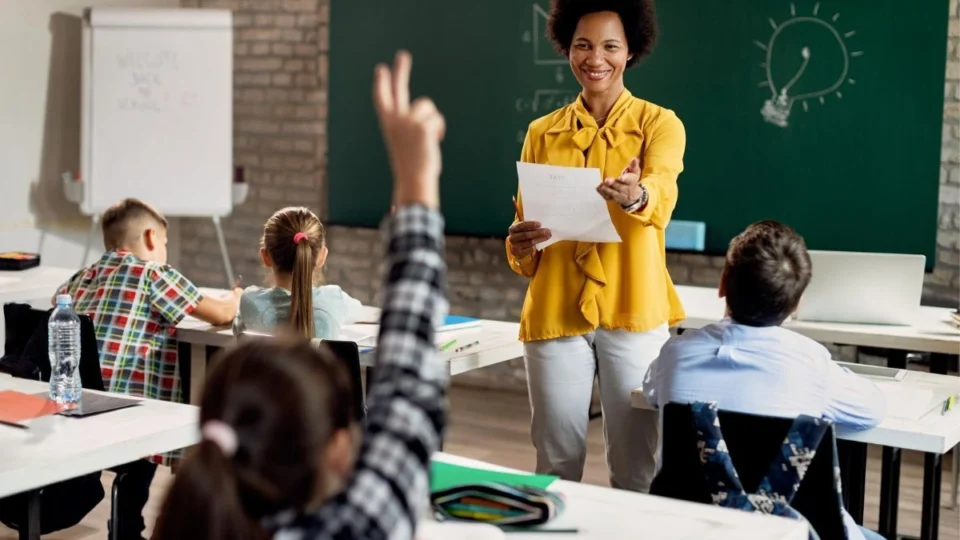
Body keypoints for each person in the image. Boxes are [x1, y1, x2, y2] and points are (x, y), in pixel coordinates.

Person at [151, 49, 449, 540]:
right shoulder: (356, 524)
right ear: (338, 449)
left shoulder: (193, 520)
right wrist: (416, 181)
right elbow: (407, 395)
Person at [505, 0, 685, 491]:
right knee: (556, 463)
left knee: (636, 468)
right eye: (582, 45)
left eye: (610, 45)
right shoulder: (541, 132)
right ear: (567, 48)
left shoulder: (659, 124)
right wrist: (520, 242)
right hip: (556, 310)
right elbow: (526, 243)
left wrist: (637, 195)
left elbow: (662, 193)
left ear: (631, 51)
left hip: (633, 309)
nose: (595, 58)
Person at [642, 221, 886, 540]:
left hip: (691, 531)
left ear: (722, 284)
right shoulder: (812, 365)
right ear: (797, 304)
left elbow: (650, 393)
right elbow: (872, 410)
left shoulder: (676, 355)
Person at [55, 197, 241, 540]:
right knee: (143, 452)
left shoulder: (84, 276)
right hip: (130, 415)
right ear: (152, 237)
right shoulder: (153, 273)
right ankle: (127, 527)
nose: (165, 250)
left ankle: (124, 525)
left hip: (80, 406)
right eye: (166, 243)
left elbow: (57, 301)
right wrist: (237, 297)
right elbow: (221, 315)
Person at [233, 206, 364, 339]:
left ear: (265, 256)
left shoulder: (250, 301)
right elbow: (361, 312)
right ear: (322, 256)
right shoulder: (333, 299)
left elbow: (237, 331)